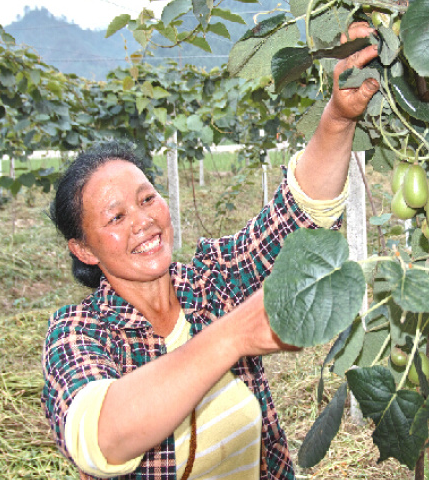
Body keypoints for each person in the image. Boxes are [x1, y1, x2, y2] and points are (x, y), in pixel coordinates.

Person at [42, 23, 379, 480]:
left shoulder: (210, 282)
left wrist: (338, 118)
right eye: (115, 218)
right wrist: (231, 335)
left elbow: (295, 217)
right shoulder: (79, 333)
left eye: (146, 199)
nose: (143, 221)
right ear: (83, 249)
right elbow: (101, 436)